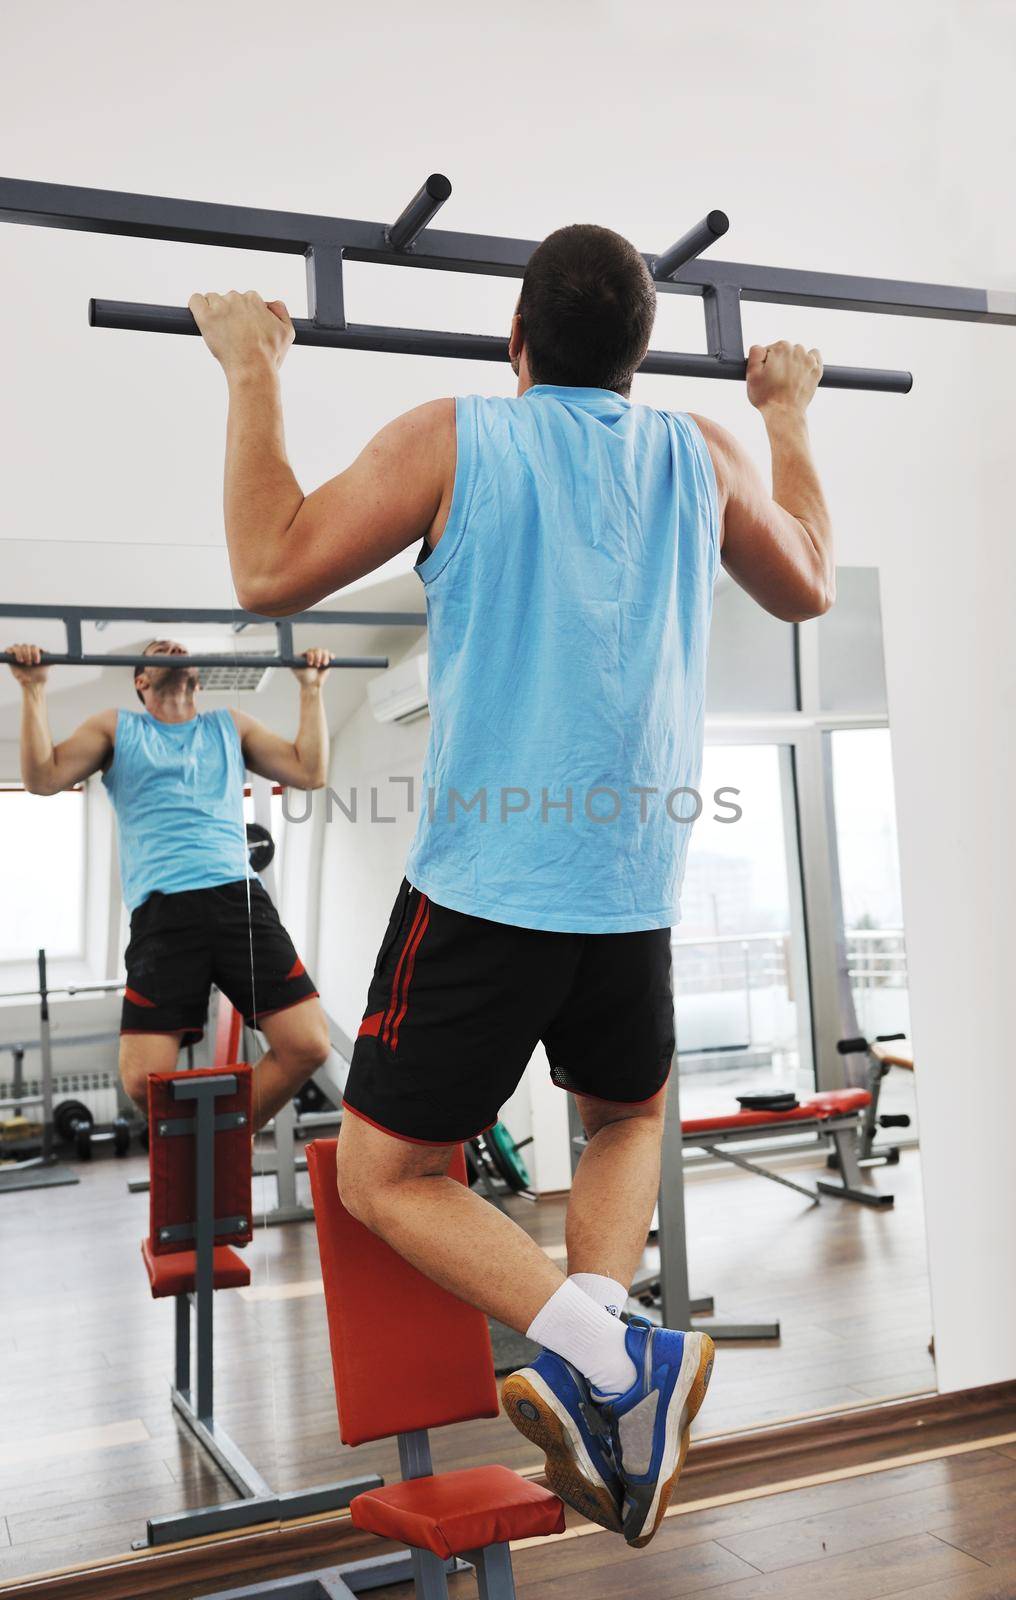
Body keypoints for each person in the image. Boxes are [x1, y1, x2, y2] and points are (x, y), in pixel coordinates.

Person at [186, 222, 833, 1546]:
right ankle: (612, 1371)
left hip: (487, 888)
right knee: (622, 1120)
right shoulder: (698, 456)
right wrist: (787, 414)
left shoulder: (457, 434)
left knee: (384, 1175)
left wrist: (252, 368)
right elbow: (810, 584)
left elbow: (268, 569)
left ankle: (603, 1357)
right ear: (641, 362)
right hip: (635, 886)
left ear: (516, 342)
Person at [6, 637, 334, 1130]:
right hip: (163, 912)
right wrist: (33, 689)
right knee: (141, 1080)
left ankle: (221, 1139)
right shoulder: (117, 728)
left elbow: (310, 771)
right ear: (141, 680)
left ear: (197, 678)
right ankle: (205, 1148)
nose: (174, 649)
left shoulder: (230, 726)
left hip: (238, 900)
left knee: (308, 1043)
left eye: (181, 648)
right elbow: (44, 778)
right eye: (160, 649)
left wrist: (311, 689)